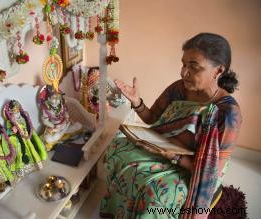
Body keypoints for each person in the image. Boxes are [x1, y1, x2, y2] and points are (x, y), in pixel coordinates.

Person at [99, 33, 242, 219]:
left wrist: (174, 156)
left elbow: (209, 173)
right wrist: (136, 102)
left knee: (154, 193)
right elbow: (152, 119)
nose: (184, 72)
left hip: (194, 168)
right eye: (183, 64)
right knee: (115, 148)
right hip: (163, 147)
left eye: (194, 67)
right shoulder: (179, 88)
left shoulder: (227, 113)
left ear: (218, 71)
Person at [4, 100, 47, 179]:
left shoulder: (23, 116)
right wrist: (12, 130)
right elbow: (7, 132)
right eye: (14, 110)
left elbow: (28, 125)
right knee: (24, 152)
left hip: (28, 136)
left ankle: (37, 164)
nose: (16, 112)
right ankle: (26, 168)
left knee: (32, 149)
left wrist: (29, 131)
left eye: (17, 109)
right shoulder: (10, 122)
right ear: (11, 112)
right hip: (20, 140)